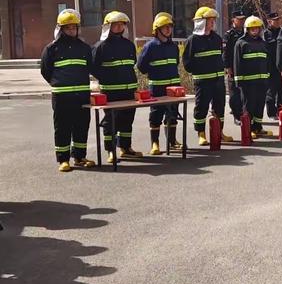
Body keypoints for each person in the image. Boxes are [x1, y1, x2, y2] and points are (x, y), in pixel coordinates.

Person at [40, 9, 94, 172]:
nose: (71, 30)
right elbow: (45, 71)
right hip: (62, 96)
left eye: (74, 27)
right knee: (62, 127)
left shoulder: (84, 48)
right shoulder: (51, 49)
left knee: (81, 126)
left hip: (82, 95)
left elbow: (89, 68)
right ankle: (63, 160)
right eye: (68, 28)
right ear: (61, 29)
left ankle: (79, 157)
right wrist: (58, 83)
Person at [92, 11, 142, 163]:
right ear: (109, 26)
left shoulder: (128, 45)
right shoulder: (100, 46)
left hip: (129, 89)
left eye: (122, 24)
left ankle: (125, 148)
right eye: (116, 24)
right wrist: (108, 79)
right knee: (110, 122)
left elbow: (131, 63)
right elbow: (93, 68)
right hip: (111, 91)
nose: (120, 27)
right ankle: (110, 150)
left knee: (127, 120)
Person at [183, 7, 233, 146]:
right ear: (201, 22)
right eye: (210, 21)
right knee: (201, 107)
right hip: (203, 81)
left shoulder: (216, 38)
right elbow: (187, 63)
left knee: (220, 107)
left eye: (213, 21)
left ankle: (219, 132)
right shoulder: (192, 40)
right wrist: (200, 71)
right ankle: (201, 134)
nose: (212, 23)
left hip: (218, 80)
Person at [137, 13, 182, 155]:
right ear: (157, 29)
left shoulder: (173, 46)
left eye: (169, 27)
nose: (168, 29)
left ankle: (172, 141)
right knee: (156, 115)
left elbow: (176, 63)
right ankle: (155, 144)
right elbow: (141, 66)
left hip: (174, 87)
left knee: (173, 114)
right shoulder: (150, 46)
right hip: (157, 88)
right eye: (164, 27)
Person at [234, 15, 272, 138]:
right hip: (247, 83)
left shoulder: (263, 43)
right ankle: (248, 128)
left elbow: (267, 61)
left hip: (262, 81)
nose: (255, 30)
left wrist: (267, 77)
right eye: (252, 28)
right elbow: (237, 63)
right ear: (247, 29)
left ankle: (258, 127)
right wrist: (238, 81)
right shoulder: (241, 43)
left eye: (257, 28)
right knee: (248, 106)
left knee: (260, 105)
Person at [223, 10, 246, 125]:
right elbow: (225, 52)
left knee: (244, 92)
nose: (242, 21)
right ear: (233, 20)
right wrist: (228, 67)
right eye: (239, 19)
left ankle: (244, 114)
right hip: (233, 67)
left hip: (244, 66)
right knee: (234, 93)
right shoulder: (229, 34)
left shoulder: (246, 32)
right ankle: (237, 116)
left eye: (243, 19)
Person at [264, 12, 282, 120]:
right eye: (275, 20)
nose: (277, 22)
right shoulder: (265, 34)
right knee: (271, 91)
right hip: (270, 67)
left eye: (278, 20)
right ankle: (271, 112)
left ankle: (281, 111)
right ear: (269, 21)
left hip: (281, 67)